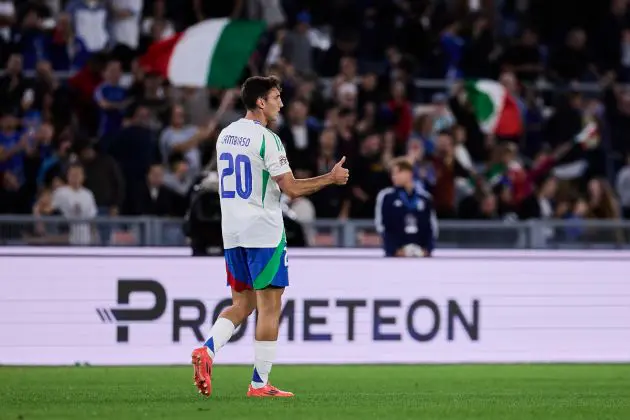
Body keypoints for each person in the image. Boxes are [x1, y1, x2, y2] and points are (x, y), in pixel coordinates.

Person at [191, 76, 349, 398]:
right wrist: (331, 178)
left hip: (232, 231)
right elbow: (290, 188)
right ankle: (259, 384)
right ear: (261, 102)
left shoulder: (226, 135)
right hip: (263, 230)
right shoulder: (268, 139)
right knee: (269, 307)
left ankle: (207, 350)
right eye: (277, 97)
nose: (282, 103)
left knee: (242, 303)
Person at [375, 157, 438, 257]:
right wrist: (393, 249)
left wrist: (428, 249)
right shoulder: (386, 197)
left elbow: (432, 227)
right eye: (392, 173)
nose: (394, 176)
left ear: (409, 173)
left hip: (421, 254)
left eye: (398, 172)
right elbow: (382, 226)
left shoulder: (425, 198)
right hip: (395, 254)